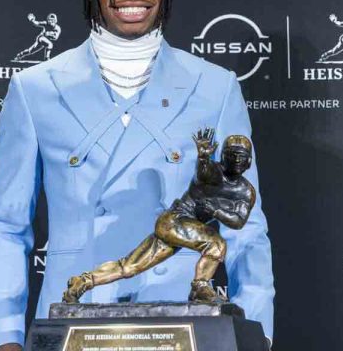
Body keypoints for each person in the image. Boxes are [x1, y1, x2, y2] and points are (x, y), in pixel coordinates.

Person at [0, 0, 275, 350]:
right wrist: (6, 337)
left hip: (186, 325)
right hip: (74, 326)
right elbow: (7, 227)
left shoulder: (215, 87)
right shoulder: (34, 89)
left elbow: (248, 230)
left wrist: (258, 332)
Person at [62, 129, 256, 304]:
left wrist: (215, 211)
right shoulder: (213, 172)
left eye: (241, 156)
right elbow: (203, 173)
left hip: (180, 229)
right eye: (232, 155)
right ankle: (200, 287)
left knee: (129, 267)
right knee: (216, 244)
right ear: (223, 156)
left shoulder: (246, 191)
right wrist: (203, 157)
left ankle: (82, 281)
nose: (237, 160)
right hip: (174, 221)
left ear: (248, 160)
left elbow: (238, 221)